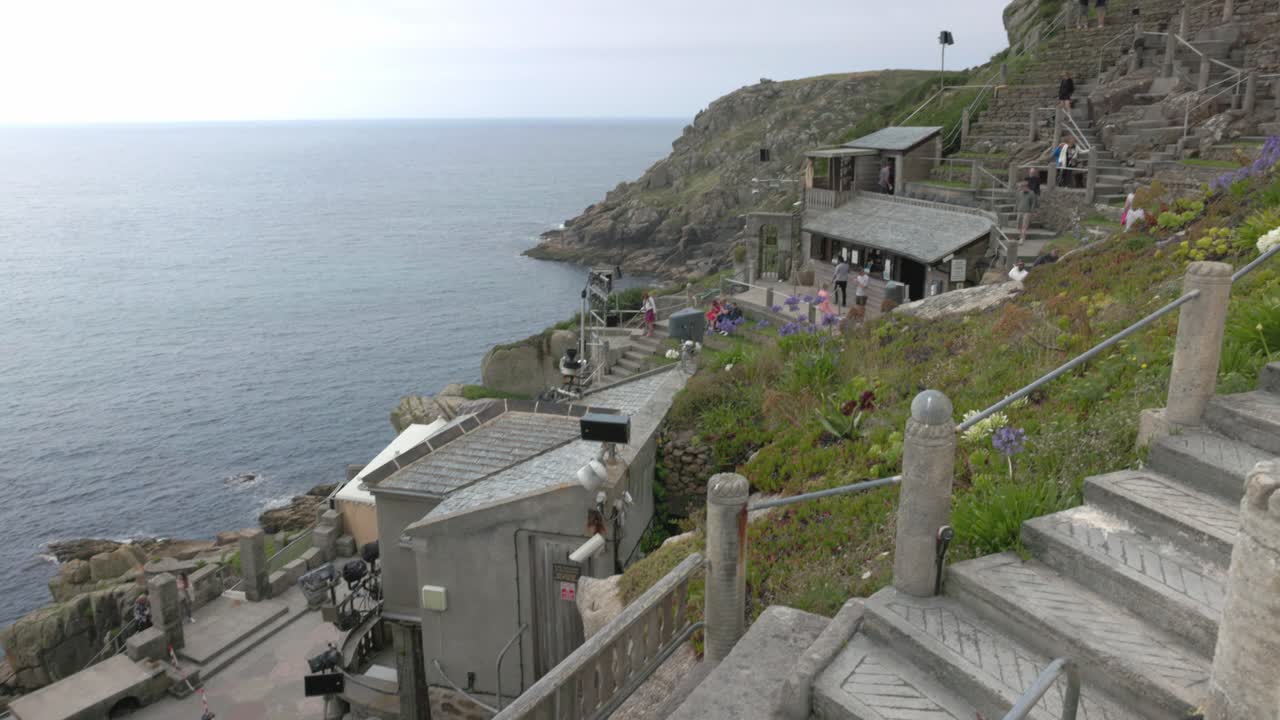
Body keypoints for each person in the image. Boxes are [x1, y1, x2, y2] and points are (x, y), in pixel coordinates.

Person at [1015, 180, 1038, 247]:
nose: (1019, 189)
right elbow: (1018, 201)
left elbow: (1033, 203)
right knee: (1019, 225)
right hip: (1020, 211)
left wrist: (1031, 212)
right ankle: (1021, 235)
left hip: (1027, 212)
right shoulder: (1020, 193)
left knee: (1024, 226)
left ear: (1025, 187)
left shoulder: (1031, 193)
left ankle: (1022, 239)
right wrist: (1016, 209)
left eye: (1020, 187)